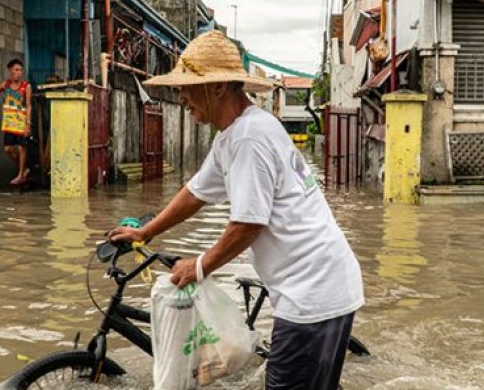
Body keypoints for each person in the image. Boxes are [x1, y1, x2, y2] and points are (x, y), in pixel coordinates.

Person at [109, 30, 364, 390]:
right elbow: (195, 192)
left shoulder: (248, 138)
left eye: (188, 87)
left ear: (218, 88)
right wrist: (146, 232)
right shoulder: (237, 132)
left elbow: (247, 225)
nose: (181, 97)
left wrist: (198, 266)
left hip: (312, 293)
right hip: (322, 283)